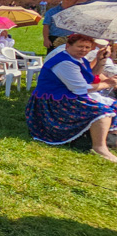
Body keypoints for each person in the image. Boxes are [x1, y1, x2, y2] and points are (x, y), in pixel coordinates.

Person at [26, 34, 117, 162]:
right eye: (80, 46)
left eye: (87, 47)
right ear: (68, 45)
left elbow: (89, 76)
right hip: (54, 101)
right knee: (103, 112)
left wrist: (100, 60)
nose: (84, 50)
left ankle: (111, 139)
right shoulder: (64, 62)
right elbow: (80, 88)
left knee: (113, 105)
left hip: (68, 95)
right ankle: (100, 148)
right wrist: (107, 83)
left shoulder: (79, 59)